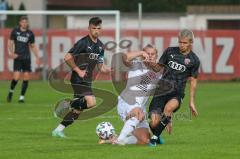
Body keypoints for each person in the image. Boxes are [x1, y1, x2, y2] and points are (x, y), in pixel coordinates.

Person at [52, 17, 111, 138]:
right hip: (78, 79)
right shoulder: (83, 42)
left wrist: (108, 70)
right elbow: (67, 57)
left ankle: (58, 130)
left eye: (98, 28)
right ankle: (68, 104)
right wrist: (78, 70)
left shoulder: (100, 46)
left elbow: (100, 66)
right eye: (94, 28)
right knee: (91, 102)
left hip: (87, 80)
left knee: (77, 111)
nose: (96, 31)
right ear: (89, 28)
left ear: (101, 29)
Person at [102, 44, 166, 145]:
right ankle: (120, 141)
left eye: (152, 54)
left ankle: (115, 139)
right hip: (127, 101)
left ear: (156, 56)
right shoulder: (136, 64)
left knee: (144, 140)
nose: (150, 56)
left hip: (140, 106)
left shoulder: (159, 72)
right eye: (147, 53)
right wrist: (140, 52)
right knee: (138, 114)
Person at [148, 29, 200, 146]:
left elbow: (193, 81)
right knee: (154, 123)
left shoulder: (194, 60)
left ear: (190, 43)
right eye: (180, 42)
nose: (181, 45)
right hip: (161, 89)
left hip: (177, 92)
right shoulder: (170, 51)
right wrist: (151, 63)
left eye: (185, 43)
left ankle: (154, 138)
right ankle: (162, 127)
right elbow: (158, 68)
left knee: (168, 109)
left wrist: (191, 101)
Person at [7, 16, 41, 103]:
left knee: (26, 77)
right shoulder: (15, 31)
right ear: (20, 23)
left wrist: (37, 57)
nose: (24, 23)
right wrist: (11, 53)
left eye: (26, 22)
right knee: (16, 77)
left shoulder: (30, 33)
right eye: (23, 22)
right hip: (18, 58)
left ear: (27, 23)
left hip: (27, 58)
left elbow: (33, 46)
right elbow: (10, 42)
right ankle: (11, 91)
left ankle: (21, 97)